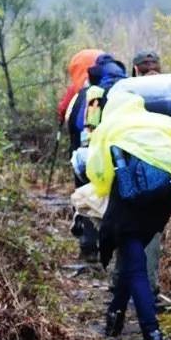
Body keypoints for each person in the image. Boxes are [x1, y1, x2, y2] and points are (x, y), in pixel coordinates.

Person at [86, 91, 171, 340]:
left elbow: (99, 174)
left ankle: (152, 336)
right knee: (134, 261)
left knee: (136, 268)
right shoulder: (160, 123)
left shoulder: (110, 129)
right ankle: (115, 315)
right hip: (163, 198)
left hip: (130, 203)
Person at [107, 50, 171, 334]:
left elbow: (108, 135)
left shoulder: (127, 97)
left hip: (129, 187)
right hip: (164, 190)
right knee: (143, 246)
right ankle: (121, 312)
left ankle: (140, 321)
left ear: (134, 70)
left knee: (130, 249)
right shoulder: (170, 99)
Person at [67, 53, 126, 262]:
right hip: (124, 157)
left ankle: (89, 246)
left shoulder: (89, 94)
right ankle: (116, 251)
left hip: (93, 154)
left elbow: (76, 124)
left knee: (90, 196)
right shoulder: (130, 91)